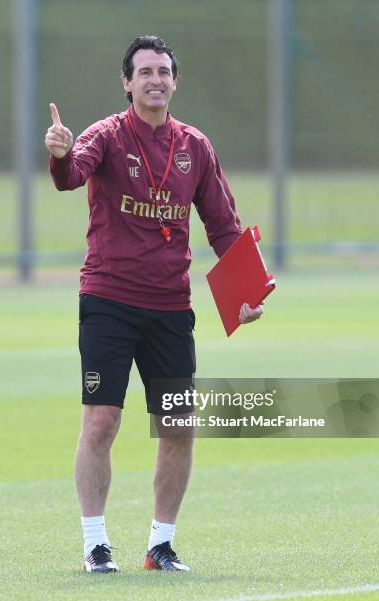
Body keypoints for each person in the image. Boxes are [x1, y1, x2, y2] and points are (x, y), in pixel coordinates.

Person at [45, 35, 263, 573]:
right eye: (144, 72)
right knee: (101, 422)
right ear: (127, 82)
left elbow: (224, 225)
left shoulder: (196, 147)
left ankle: (160, 545)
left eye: (163, 71)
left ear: (174, 81)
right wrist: (58, 153)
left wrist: (245, 296)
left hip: (170, 306)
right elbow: (72, 174)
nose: (155, 80)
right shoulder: (106, 136)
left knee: (178, 424)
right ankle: (96, 544)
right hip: (109, 300)